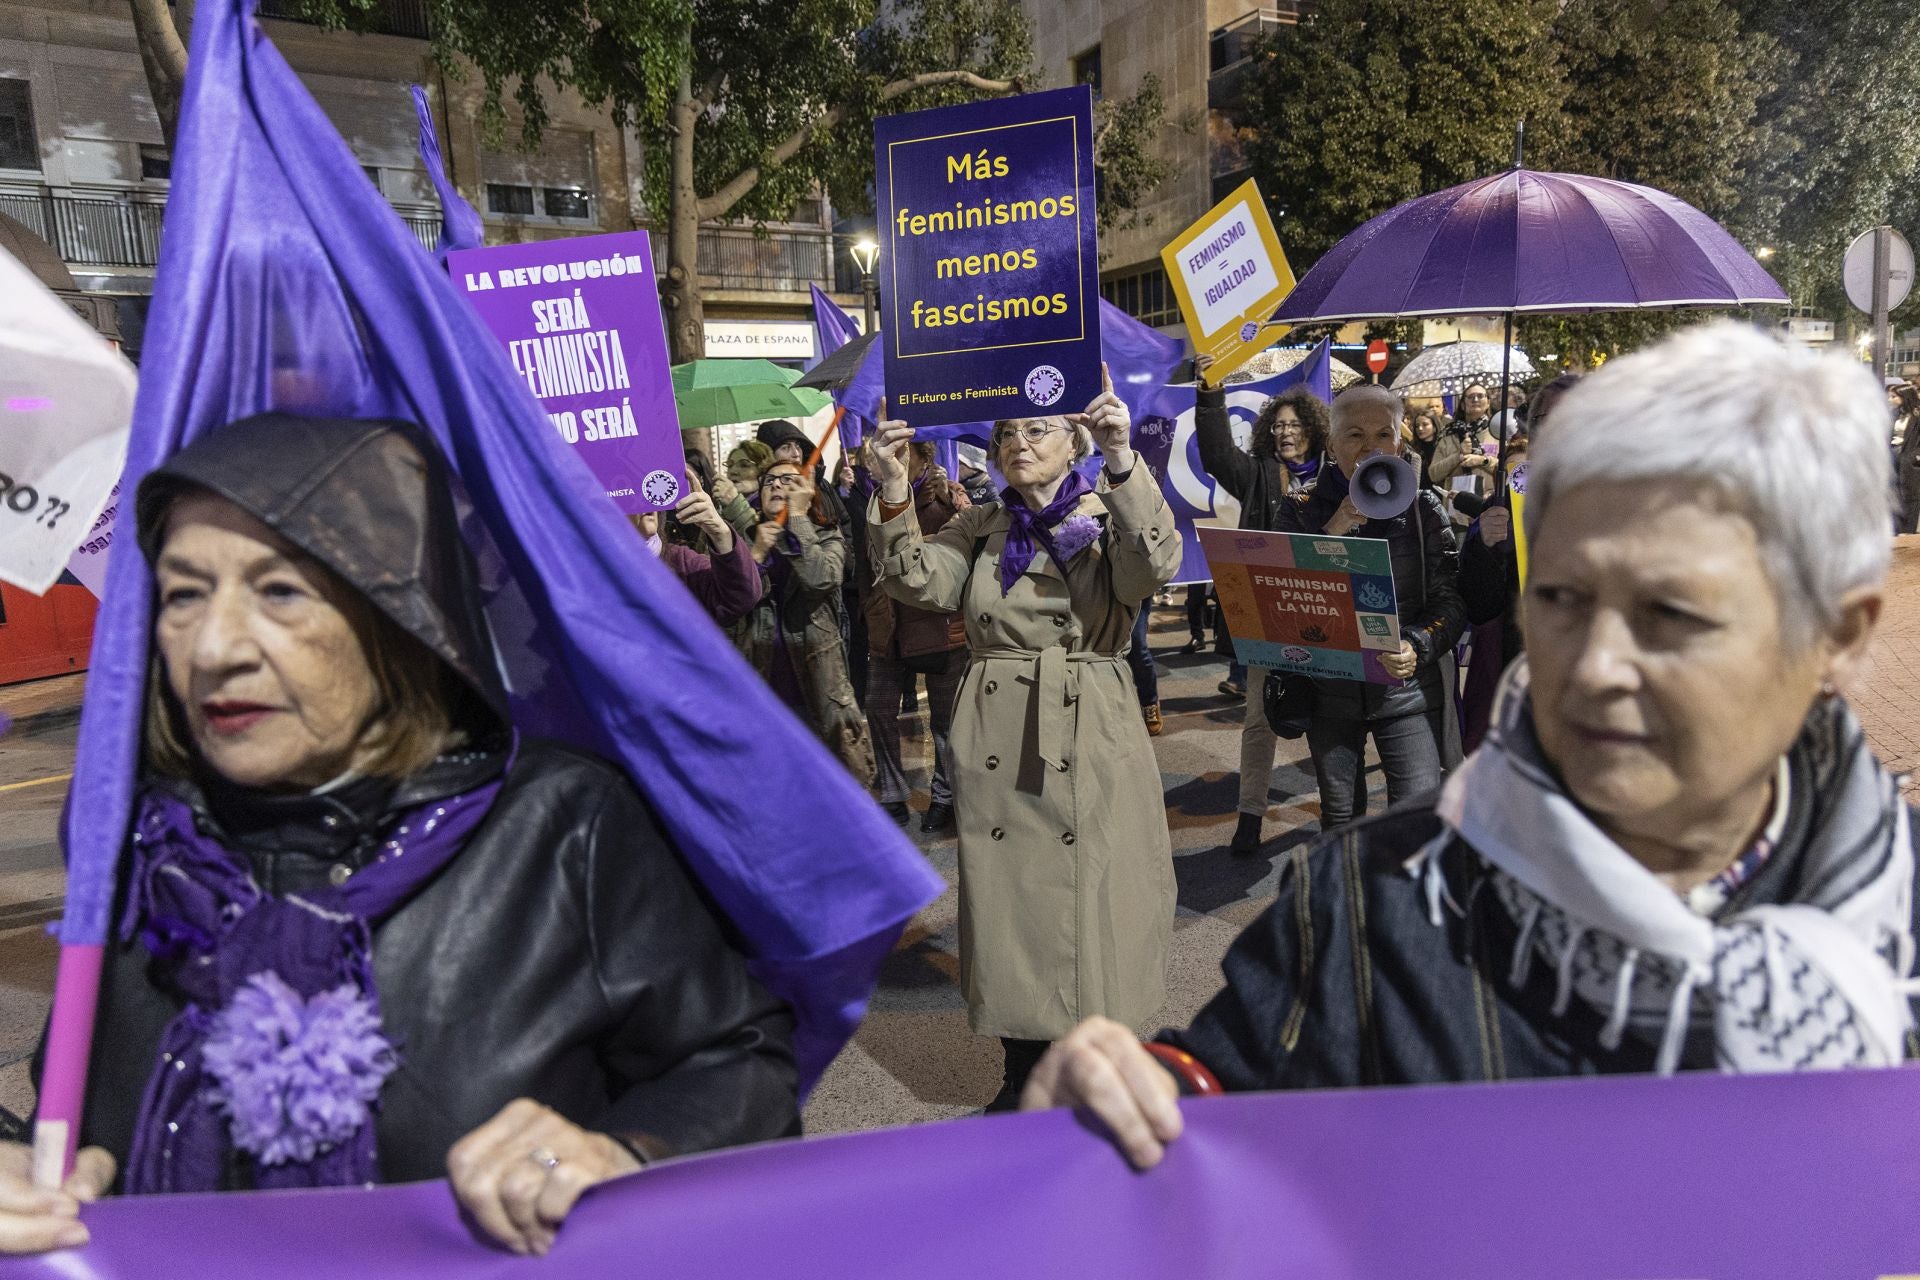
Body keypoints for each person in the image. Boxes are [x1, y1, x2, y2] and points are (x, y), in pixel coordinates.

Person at [1023, 322, 1920, 1171]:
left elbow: (1454, 594)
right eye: (1564, 599)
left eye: (1671, 615)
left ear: (1836, 639)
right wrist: (1126, 1101)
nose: (1595, 666)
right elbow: (1213, 1099)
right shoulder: (1370, 904)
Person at [0, 415, 797, 1256]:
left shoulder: (559, 824)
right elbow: (68, 1115)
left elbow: (738, 1064)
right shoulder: (136, 846)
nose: (215, 647)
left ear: (398, 615)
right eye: (184, 594)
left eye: (279, 592)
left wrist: (614, 1152)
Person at [866, 369, 1182, 1111]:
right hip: (1003, 730)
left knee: (1103, 895)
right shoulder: (980, 523)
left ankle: (1105, 1067)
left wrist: (1122, 456)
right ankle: (1024, 1074)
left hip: (1092, 719)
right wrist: (890, 485)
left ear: (1073, 440)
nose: (1016, 443)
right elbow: (920, 583)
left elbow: (1154, 567)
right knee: (1012, 906)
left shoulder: (1110, 508)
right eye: (1006, 433)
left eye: (1035, 429)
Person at [1278, 385, 1464, 833]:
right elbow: (1286, 599)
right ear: (1331, 444)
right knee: (1341, 818)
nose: (1370, 448)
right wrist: (1333, 529)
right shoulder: (1299, 508)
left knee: (1416, 814)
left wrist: (1418, 644)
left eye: (1383, 434)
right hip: (1328, 689)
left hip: (1406, 689)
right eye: (1355, 435)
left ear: (1399, 443)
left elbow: (1451, 601)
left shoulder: (1424, 509)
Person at [1194, 372, 1334, 855]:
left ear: (1313, 430)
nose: (1284, 432)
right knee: (1259, 718)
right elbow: (1214, 454)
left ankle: (1336, 812)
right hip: (1269, 615)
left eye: (1293, 424)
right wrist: (1211, 394)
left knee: (1331, 717)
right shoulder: (1256, 475)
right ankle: (1249, 816)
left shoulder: (1338, 476)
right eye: (1276, 425)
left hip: (1327, 617)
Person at [1457, 372, 1582, 752]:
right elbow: (1480, 606)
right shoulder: (1507, 502)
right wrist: (1485, 547)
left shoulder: (1623, 501)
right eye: (1548, 419)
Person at [739, 460, 874, 779]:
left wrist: (797, 519)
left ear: (806, 492)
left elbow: (819, 579)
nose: (775, 484)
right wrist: (756, 555)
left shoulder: (828, 536)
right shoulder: (747, 539)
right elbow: (733, 602)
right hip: (761, 683)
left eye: (787, 479)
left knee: (828, 780)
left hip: (817, 686)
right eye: (768, 479)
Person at [862, 441, 969, 831]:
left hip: (938, 625)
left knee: (945, 719)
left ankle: (944, 797)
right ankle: (892, 792)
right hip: (887, 625)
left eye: (899, 452)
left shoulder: (943, 499)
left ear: (924, 457)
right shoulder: (873, 499)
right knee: (877, 706)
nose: (875, 459)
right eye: (871, 452)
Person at [630, 471, 760, 626]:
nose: (644, 497)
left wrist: (719, 531)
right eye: (631, 490)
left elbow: (740, 598)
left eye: (647, 486)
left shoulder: (682, 562)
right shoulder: (596, 568)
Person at [1891, 382, 1920, 534]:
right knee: (1894, 492)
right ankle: (1895, 529)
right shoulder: (1895, 414)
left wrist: (1915, 457)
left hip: (1909, 459)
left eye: (1894, 397)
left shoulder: (1917, 417)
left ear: (1905, 397)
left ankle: (1908, 531)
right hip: (1894, 455)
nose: (1891, 399)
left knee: (1910, 495)